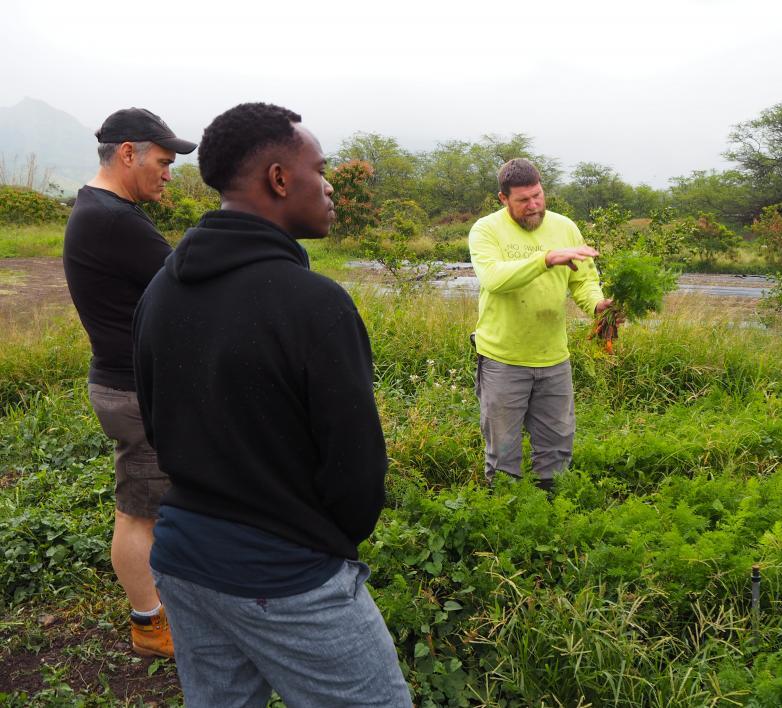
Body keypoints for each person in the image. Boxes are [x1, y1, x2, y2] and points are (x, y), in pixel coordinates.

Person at [132, 102, 411, 707]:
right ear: (280, 180)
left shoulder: (161, 288)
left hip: (181, 557)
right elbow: (356, 469)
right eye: (321, 168)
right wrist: (318, 546)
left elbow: (155, 423)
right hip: (285, 575)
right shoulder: (315, 303)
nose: (331, 184)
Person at [63, 108, 197, 658]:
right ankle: (149, 624)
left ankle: (166, 599)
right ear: (128, 153)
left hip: (129, 384)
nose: (169, 173)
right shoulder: (114, 218)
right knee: (137, 511)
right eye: (163, 161)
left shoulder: (99, 209)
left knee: (154, 502)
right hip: (134, 391)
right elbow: (186, 282)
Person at [469, 158, 613, 491]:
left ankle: (551, 515)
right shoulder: (486, 230)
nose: (533, 205)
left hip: (553, 359)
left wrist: (598, 305)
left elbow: (584, 281)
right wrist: (545, 259)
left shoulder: (565, 228)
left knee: (557, 448)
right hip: (503, 360)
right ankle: (506, 518)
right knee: (503, 453)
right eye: (523, 200)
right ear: (503, 199)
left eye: (538, 195)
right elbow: (494, 279)